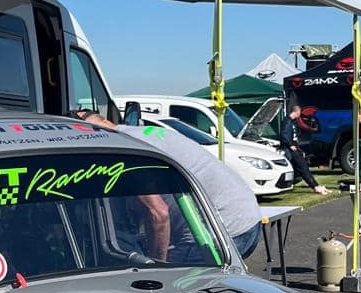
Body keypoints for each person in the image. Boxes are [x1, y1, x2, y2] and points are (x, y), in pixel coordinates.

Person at [83, 113, 263, 261]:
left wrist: (156, 265)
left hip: (217, 236)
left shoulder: (123, 149)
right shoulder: (141, 133)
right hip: (249, 219)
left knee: (157, 284)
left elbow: (158, 214)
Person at [280, 105, 329, 195]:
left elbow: (295, 138)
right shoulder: (287, 121)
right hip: (290, 150)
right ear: (297, 112)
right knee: (303, 168)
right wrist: (289, 145)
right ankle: (315, 187)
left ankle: (316, 185)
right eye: (299, 113)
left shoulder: (293, 122)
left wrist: (300, 150)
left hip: (295, 149)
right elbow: (284, 134)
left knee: (304, 167)